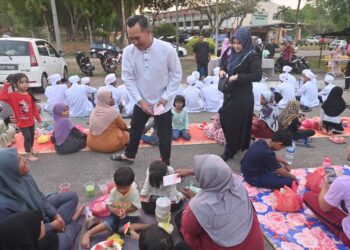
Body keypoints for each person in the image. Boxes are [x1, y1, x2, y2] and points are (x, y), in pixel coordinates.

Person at [111, 15, 181, 165]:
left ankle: (165, 162)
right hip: (141, 100)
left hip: (163, 102)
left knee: (164, 134)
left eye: (137, 38)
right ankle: (130, 155)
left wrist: (166, 97)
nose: (135, 42)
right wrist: (140, 101)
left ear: (148, 32)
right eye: (131, 39)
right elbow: (128, 78)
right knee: (135, 129)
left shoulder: (167, 49)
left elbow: (176, 74)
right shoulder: (129, 52)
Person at [0, 148, 83, 250]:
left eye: (21, 156)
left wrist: (56, 215)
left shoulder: (25, 177)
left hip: (41, 213)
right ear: (9, 169)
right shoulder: (3, 207)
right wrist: (51, 226)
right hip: (33, 233)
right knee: (63, 244)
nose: (25, 159)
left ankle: (61, 224)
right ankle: (72, 222)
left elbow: (41, 198)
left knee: (72, 197)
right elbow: (22, 237)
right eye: (19, 159)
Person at [176, 154, 264, 250]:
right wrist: (190, 171)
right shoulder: (238, 183)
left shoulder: (198, 205)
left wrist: (192, 199)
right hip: (255, 243)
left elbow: (190, 228)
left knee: (181, 220)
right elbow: (218, 172)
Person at [219, 27, 262, 161]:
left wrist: (238, 77)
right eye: (235, 42)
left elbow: (257, 76)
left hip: (242, 96)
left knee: (232, 122)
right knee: (226, 119)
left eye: (239, 43)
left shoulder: (252, 56)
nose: (236, 46)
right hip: (230, 92)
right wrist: (222, 70)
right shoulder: (233, 54)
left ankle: (230, 150)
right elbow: (226, 66)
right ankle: (234, 145)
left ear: (246, 42)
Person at [81, 166, 141, 249]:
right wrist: (113, 209)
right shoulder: (114, 191)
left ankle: (146, 226)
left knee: (122, 230)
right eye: (118, 187)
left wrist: (126, 210)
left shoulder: (134, 192)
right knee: (108, 223)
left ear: (130, 184)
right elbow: (108, 205)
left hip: (130, 215)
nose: (121, 190)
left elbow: (136, 207)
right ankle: (88, 233)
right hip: (116, 214)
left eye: (124, 188)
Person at [0, 73, 41, 161]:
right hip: (22, 123)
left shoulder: (28, 94)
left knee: (32, 136)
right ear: (15, 84)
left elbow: (33, 107)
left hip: (31, 121)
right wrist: (6, 85)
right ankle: (28, 155)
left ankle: (31, 149)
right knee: (27, 137)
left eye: (26, 82)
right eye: (21, 82)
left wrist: (37, 117)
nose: (25, 84)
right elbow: (2, 96)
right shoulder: (12, 96)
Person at [303, 175, 350, 247]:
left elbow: (325, 208)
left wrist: (325, 184)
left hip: (347, 235)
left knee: (309, 196)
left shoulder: (343, 181)